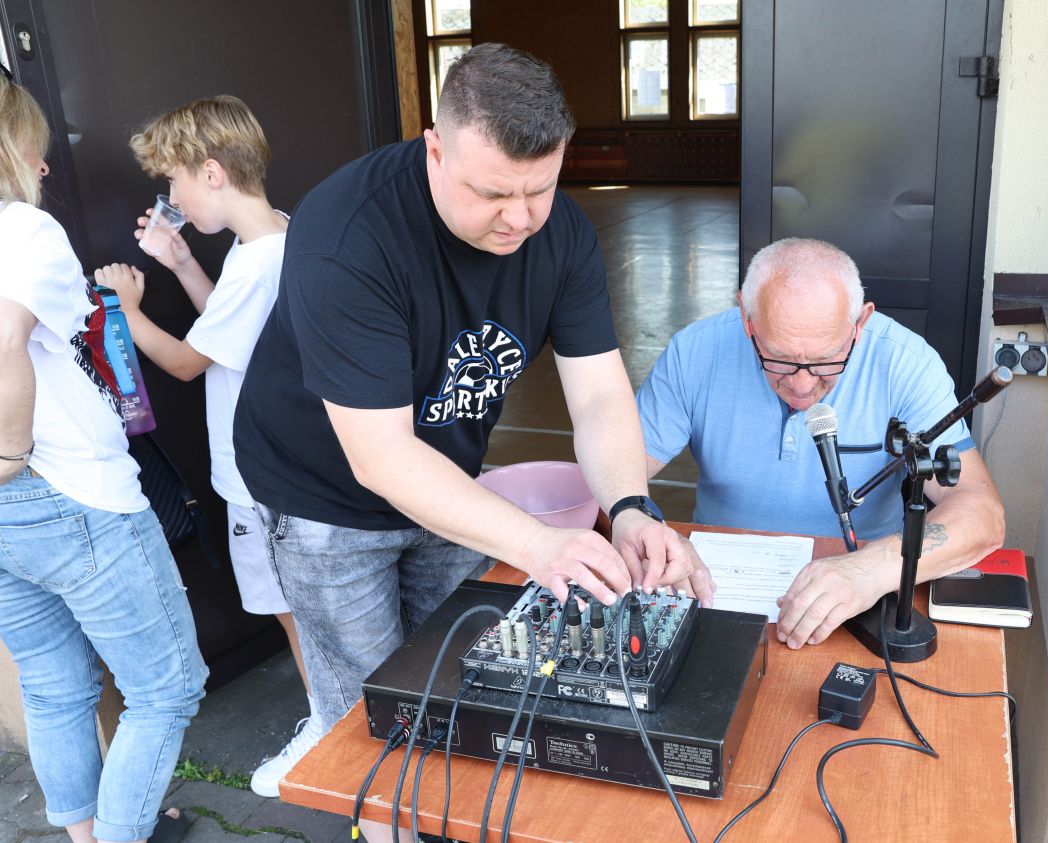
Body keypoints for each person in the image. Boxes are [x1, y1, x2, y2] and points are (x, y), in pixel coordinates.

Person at [232, 43, 697, 789]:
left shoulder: (562, 233)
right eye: (492, 193)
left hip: (449, 477)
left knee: (468, 680)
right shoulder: (347, 234)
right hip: (324, 498)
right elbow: (381, 456)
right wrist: (538, 544)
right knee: (374, 717)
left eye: (539, 189)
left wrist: (631, 508)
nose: (519, 218)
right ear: (436, 150)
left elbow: (600, 394)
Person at [0, 71, 207, 843]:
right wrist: (8, 452)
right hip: (68, 490)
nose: (44, 164)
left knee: (54, 685)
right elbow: (5, 339)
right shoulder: (21, 229)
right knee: (166, 687)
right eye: (32, 147)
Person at [90, 95, 311, 798]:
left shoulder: (256, 263)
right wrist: (184, 262)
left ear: (211, 173)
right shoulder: (278, 233)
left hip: (259, 475)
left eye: (174, 180)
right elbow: (230, 328)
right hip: (286, 463)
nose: (172, 196)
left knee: (292, 610)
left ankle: (327, 726)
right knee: (301, 604)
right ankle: (333, 717)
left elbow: (190, 361)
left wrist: (126, 311)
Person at [637, 237, 1005, 650]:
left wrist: (869, 570)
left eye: (826, 361)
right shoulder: (694, 352)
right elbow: (608, 479)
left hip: (859, 604)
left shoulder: (905, 363)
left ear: (860, 324)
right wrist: (651, 533)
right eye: (777, 358)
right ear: (746, 318)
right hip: (715, 592)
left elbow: (982, 513)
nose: (801, 385)